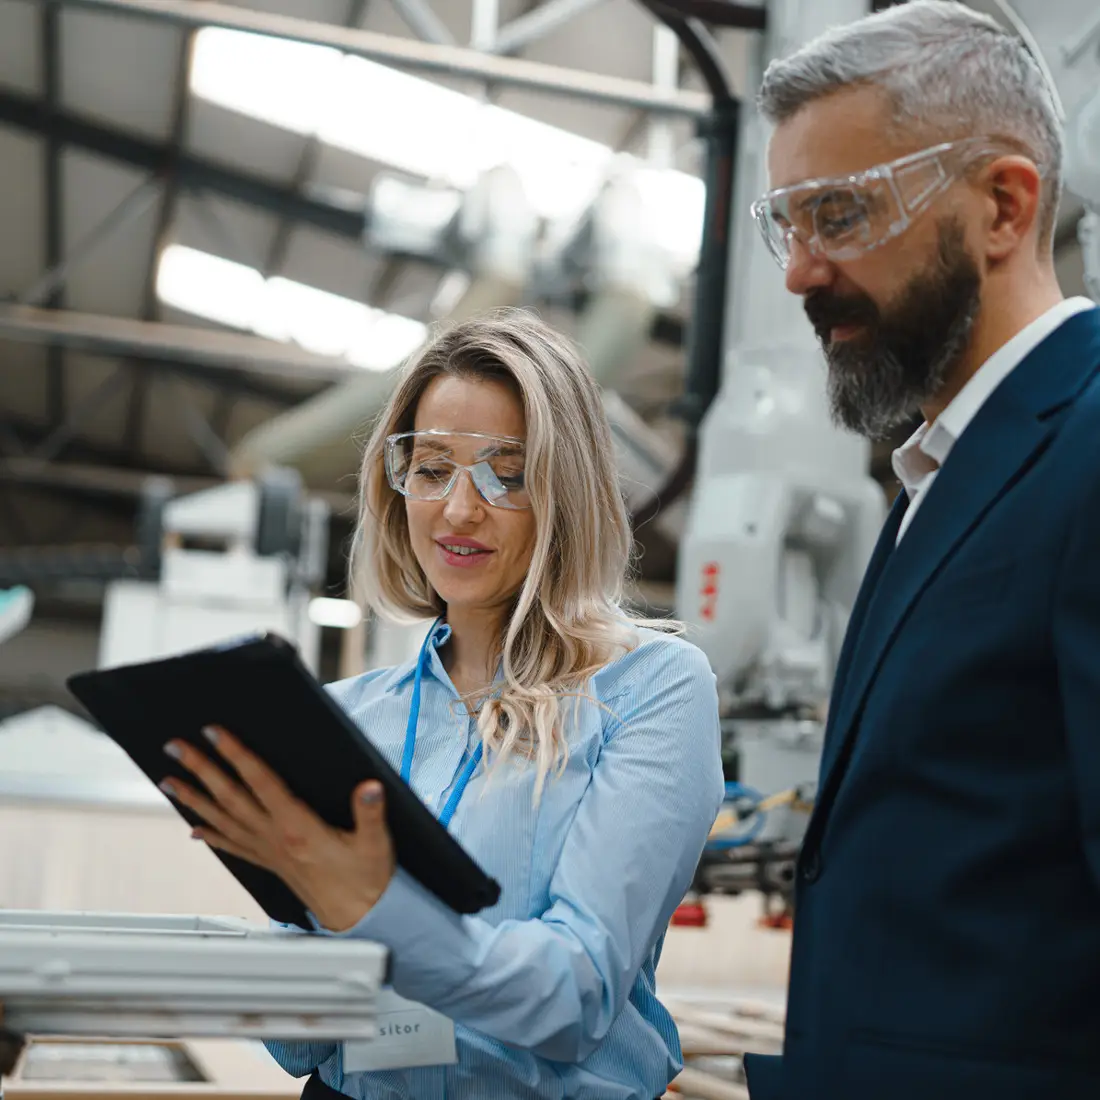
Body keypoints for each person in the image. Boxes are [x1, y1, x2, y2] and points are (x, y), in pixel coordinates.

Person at [157, 309, 725, 1099]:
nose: (459, 509)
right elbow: (295, 1043)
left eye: (508, 471)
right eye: (431, 469)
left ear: (570, 487)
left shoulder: (653, 688)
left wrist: (367, 910)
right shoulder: (345, 716)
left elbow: (574, 997)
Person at [739, 2, 1100, 1098]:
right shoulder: (933, 483)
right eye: (786, 224)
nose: (800, 273)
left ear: (1001, 205)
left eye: (839, 215)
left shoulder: (1085, 447)